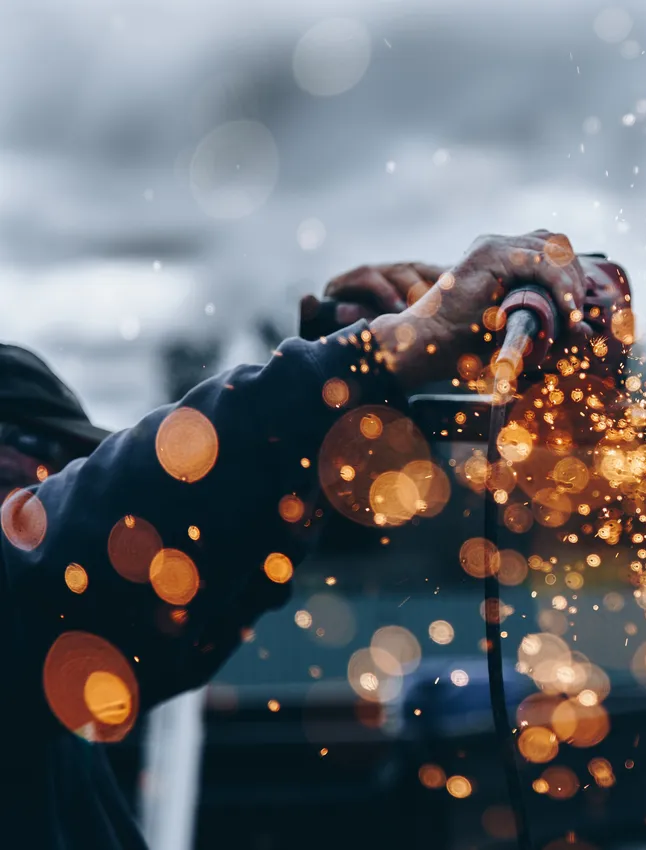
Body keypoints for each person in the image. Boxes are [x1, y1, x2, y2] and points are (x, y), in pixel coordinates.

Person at [0, 231, 597, 849]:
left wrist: (337, 405)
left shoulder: (52, 679)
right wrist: (376, 353)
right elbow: (91, 536)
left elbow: (194, 588)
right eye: (39, 462)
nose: (50, 487)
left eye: (70, 468)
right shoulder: (23, 593)